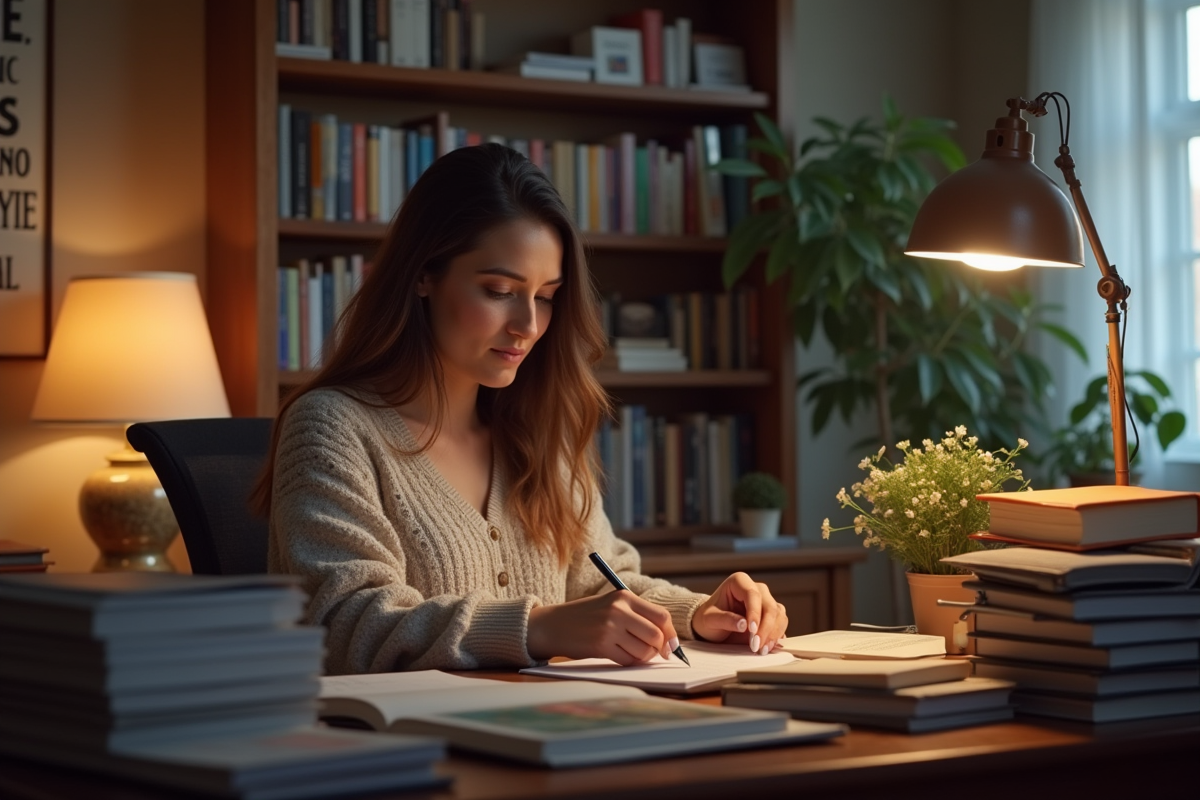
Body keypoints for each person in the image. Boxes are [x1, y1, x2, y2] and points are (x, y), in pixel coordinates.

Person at [257, 143, 788, 675]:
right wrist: (540, 626)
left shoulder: (537, 428)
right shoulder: (332, 428)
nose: (528, 326)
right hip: (405, 748)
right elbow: (347, 622)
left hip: (558, 731)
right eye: (499, 290)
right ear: (424, 275)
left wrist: (699, 614)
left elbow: (600, 585)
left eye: (546, 296)